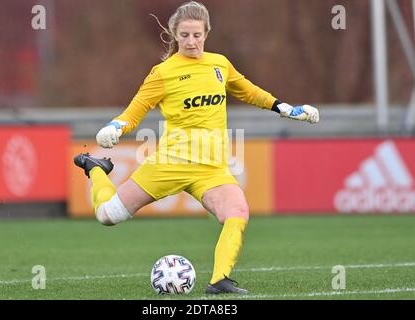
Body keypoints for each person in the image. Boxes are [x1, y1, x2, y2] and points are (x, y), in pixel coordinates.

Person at [74, 1, 319, 295]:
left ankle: (220, 281)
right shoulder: (163, 73)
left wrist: (285, 108)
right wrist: (115, 127)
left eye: (197, 35)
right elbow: (135, 110)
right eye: (186, 35)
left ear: (207, 34)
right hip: (171, 163)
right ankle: (96, 169)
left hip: (212, 167)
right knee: (107, 216)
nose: (192, 41)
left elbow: (248, 91)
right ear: (175, 35)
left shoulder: (219, 64)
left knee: (237, 211)